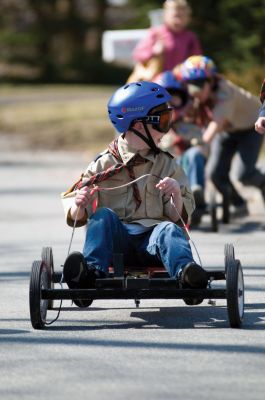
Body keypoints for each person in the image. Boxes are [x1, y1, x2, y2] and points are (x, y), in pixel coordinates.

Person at [61, 81, 208, 307]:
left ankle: (186, 275)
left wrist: (176, 195)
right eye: (163, 121)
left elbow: (177, 218)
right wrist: (79, 204)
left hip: (154, 244)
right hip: (115, 245)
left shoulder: (167, 165)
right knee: (101, 217)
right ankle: (88, 276)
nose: (167, 129)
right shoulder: (104, 164)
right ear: (139, 125)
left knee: (168, 229)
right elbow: (76, 212)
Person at [174, 55, 265, 216]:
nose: (196, 89)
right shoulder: (196, 95)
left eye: (200, 83)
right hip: (228, 131)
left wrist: (198, 145)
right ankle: (239, 203)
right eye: (190, 84)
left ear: (211, 80)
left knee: (244, 174)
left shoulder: (224, 93)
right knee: (215, 173)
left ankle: (263, 182)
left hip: (251, 128)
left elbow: (216, 124)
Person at [154, 70, 207, 224]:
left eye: (174, 99)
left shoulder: (187, 124)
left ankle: (196, 190)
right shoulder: (154, 128)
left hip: (186, 162)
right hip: (166, 169)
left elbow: (200, 140)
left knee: (194, 154)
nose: (170, 105)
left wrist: (191, 141)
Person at [132, 0, 202, 75]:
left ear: (188, 18)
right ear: (165, 15)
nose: (178, 21)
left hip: (180, 82)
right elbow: (137, 55)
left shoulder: (190, 37)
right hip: (157, 82)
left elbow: (197, 61)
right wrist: (153, 52)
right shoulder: (156, 33)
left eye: (183, 16)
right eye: (176, 16)